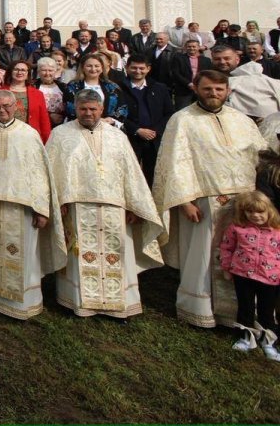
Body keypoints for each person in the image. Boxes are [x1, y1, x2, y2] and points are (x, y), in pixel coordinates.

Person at [154, 70, 267, 328]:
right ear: (196, 88)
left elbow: (260, 155)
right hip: (204, 202)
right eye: (207, 89)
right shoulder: (182, 120)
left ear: (228, 91)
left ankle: (243, 311)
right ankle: (199, 309)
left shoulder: (242, 120)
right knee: (203, 257)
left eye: (219, 89)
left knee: (245, 255)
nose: (213, 94)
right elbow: (174, 163)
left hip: (244, 205)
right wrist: (184, 202)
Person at [46, 89, 165, 319]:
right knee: (79, 254)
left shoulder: (117, 136)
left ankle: (118, 305)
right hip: (77, 206)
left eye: (93, 109)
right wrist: (57, 201)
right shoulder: (60, 134)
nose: (88, 113)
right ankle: (79, 302)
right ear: (76, 110)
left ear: (102, 109)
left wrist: (133, 205)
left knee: (117, 252)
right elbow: (52, 172)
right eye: (83, 109)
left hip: (114, 206)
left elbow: (131, 172)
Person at [0, 91, 65, 319]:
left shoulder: (29, 134)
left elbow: (39, 174)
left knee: (19, 253)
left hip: (21, 208)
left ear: (16, 106)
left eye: (6, 106)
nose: (2, 110)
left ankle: (20, 303)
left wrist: (41, 208)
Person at [218, 191, 280, 358]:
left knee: (266, 311)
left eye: (260, 212)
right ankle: (245, 338)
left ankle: (268, 342)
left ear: (269, 211)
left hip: (270, 278)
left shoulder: (277, 231)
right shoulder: (237, 228)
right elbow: (226, 248)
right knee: (245, 308)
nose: (255, 216)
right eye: (250, 212)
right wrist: (226, 268)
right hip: (243, 275)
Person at [120, 54, 173, 186]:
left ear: (148, 69)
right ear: (127, 68)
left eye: (141, 68)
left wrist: (155, 131)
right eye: (134, 68)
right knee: (130, 174)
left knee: (154, 175)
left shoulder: (160, 87)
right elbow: (117, 114)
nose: (138, 71)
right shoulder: (118, 88)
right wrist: (136, 130)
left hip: (154, 139)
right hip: (130, 138)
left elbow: (169, 113)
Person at [0, 59, 51, 143]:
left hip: (30, 138)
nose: (19, 72)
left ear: (28, 74)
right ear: (10, 72)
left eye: (23, 70)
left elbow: (44, 120)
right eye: (16, 69)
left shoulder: (38, 94)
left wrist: (47, 141)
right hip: (5, 138)